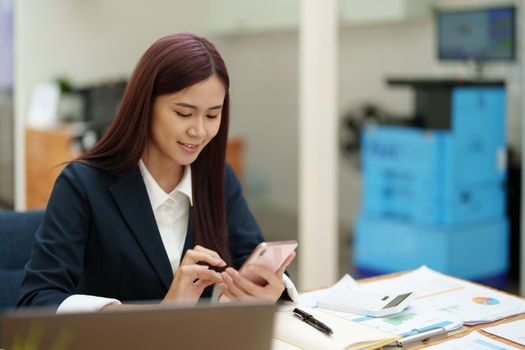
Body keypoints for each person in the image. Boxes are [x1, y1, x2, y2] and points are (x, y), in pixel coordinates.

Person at [17, 33, 296, 312]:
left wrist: (270, 288)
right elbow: (37, 301)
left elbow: (251, 260)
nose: (199, 131)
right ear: (145, 105)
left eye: (212, 115)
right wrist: (157, 314)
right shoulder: (82, 185)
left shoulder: (218, 179)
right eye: (184, 113)